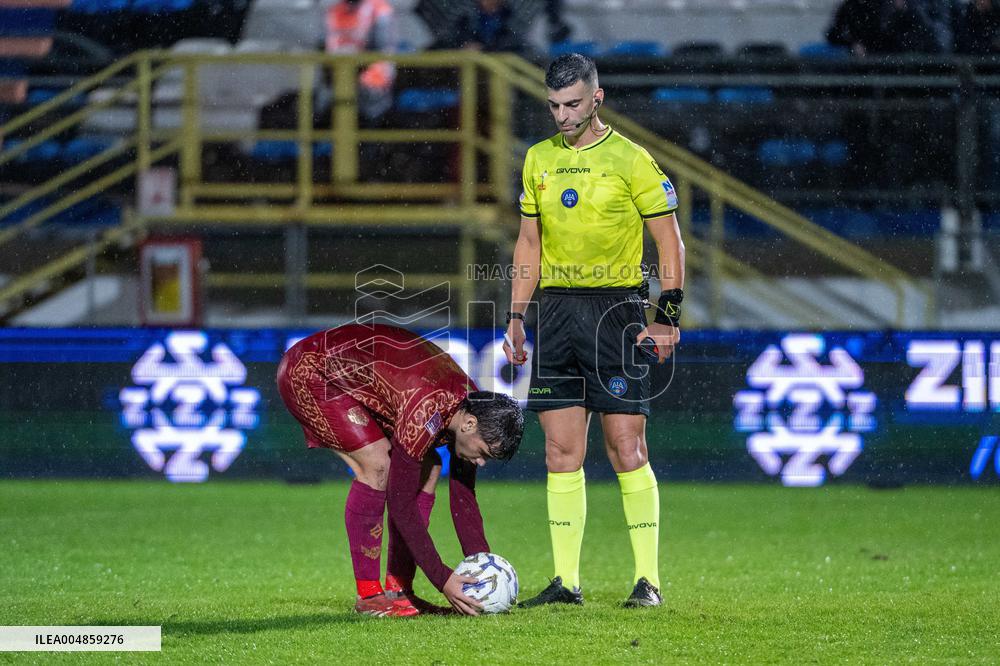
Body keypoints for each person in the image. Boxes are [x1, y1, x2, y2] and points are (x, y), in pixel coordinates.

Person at [504, 53, 685, 609]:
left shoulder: (632, 160)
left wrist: (667, 316)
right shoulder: (538, 159)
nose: (562, 116)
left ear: (597, 98)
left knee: (626, 448)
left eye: (573, 104)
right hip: (556, 314)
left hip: (617, 312)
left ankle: (648, 581)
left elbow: (670, 242)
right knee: (561, 451)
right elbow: (529, 245)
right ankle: (566, 583)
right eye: (554, 105)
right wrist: (515, 317)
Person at [277, 323, 524, 616]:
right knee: (379, 465)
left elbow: (462, 496)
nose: (481, 462)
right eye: (483, 454)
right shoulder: (426, 407)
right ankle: (370, 597)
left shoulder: (471, 408)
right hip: (311, 372)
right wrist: (443, 579)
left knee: (430, 467)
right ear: (469, 425)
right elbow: (400, 501)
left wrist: (484, 568)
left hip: (358, 381)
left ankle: (400, 592)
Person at [325, 0, 398, 121]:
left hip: (373, 88)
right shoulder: (336, 10)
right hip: (339, 84)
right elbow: (327, 47)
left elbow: (382, 47)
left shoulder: (379, 9)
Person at [826, 0, 951, 55]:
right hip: (861, 60)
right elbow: (832, 34)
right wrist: (852, 44)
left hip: (882, 59)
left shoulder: (882, 7)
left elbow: (885, 35)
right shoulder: (848, 7)